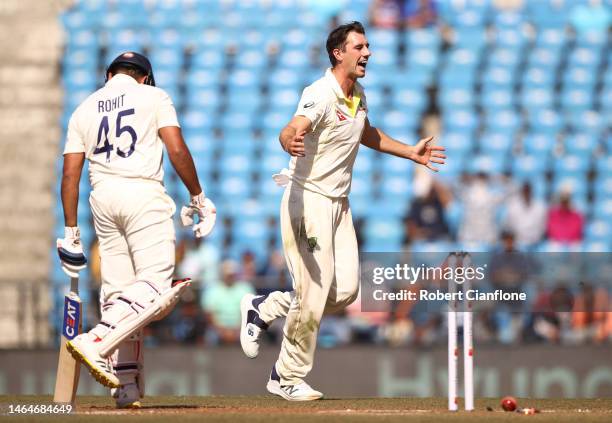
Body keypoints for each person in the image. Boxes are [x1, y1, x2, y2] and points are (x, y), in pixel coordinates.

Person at [238, 21, 446, 401]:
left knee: (347, 291)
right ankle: (286, 375)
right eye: (360, 47)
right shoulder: (320, 93)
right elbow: (291, 127)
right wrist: (289, 141)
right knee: (314, 290)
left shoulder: (358, 94)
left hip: (339, 206)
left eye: (368, 47)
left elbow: (366, 132)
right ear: (338, 53)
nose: (367, 53)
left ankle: (264, 306)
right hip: (308, 200)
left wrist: (410, 152)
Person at [56, 52, 215, 408]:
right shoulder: (154, 96)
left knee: (120, 292)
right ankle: (96, 341)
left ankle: (125, 384)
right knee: (156, 285)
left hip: (103, 201)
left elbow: (70, 175)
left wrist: (70, 232)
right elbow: (176, 148)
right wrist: (198, 196)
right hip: (142, 194)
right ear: (145, 77)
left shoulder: (83, 109)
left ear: (109, 74)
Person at [503, 182, 547, 249]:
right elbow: (510, 225)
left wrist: (536, 238)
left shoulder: (540, 206)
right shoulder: (513, 207)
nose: (526, 193)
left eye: (528, 191)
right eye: (524, 191)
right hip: (518, 242)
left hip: (536, 242)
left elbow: (543, 226)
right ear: (521, 192)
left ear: (531, 192)